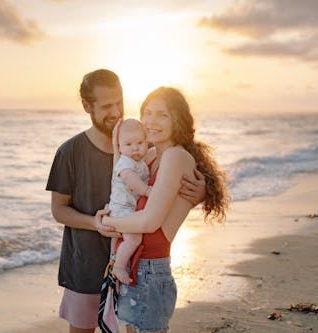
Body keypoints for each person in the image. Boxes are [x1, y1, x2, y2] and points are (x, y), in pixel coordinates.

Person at [46, 69, 206, 333]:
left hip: (132, 262)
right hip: (85, 262)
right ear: (87, 106)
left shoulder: (144, 146)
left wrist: (198, 194)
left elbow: (172, 181)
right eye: (107, 106)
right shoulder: (70, 152)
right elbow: (59, 210)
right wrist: (96, 223)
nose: (116, 111)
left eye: (119, 102)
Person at [102, 86, 230, 333]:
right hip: (132, 263)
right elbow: (120, 185)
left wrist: (109, 225)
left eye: (162, 114)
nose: (151, 121)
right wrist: (118, 151)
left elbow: (149, 223)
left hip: (150, 267)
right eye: (147, 112)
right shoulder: (151, 156)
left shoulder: (174, 156)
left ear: (178, 120)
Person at [108, 118, 151, 285]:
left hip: (125, 207)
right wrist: (146, 191)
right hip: (122, 208)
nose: (135, 147)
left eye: (140, 142)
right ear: (119, 147)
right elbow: (130, 179)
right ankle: (119, 266)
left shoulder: (138, 161)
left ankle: (114, 258)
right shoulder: (125, 163)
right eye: (128, 144)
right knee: (133, 239)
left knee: (119, 241)